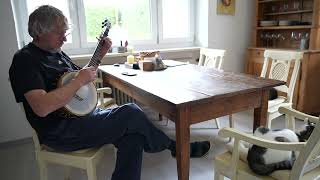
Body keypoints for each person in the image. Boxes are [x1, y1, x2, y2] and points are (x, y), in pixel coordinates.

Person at [9, 5, 211, 180]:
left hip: (83, 119)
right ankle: (175, 147)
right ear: (39, 32)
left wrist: (100, 54)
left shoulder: (56, 52)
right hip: (61, 131)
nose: (64, 37)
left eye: (65, 31)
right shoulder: (25, 60)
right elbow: (42, 107)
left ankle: (172, 148)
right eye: (59, 32)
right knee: (131, 112)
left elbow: (81, 82)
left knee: (133, 135)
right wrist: (79, 79)